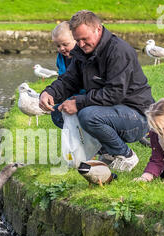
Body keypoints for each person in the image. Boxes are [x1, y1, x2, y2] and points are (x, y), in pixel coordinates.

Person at [39, 10, 155, 172]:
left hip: (137, 116)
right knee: (58, 112)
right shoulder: (82, 52)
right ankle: (107, 152)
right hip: (110, 111)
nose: (80, 44)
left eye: (84, 39)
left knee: (88, 116)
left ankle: (126, 155)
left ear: (98, 29)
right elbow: (69, 80)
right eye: (77, 40)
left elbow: (114, 94)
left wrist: (79, 103)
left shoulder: (118, 51)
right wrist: (49, 92)